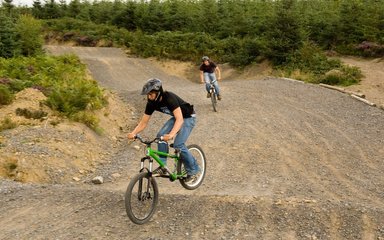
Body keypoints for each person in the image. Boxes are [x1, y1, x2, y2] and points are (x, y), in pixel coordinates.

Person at [127, 78, 200, 182]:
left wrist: (171, 135)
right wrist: (133, 133)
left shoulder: (169, 98)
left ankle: (194, 170)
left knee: (178, 144)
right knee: (160, 136)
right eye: (148, 94)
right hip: (177, 117)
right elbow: (143, 122)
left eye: (151, 94)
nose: (149, 97)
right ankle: (163, 167)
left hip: (188, 117)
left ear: (158, 92)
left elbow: (180, 119)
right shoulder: (151, 103)